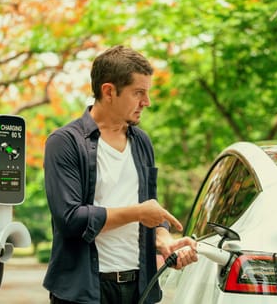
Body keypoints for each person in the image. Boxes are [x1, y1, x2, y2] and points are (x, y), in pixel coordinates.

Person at [43, 45, 197, 304]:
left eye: (147, 93)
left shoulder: (141, 142)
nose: (146, 102)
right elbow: (70, 219)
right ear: (109, 91)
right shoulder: (65, 142)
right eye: (138, 93)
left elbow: (151, 209)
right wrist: (137, 213)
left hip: (139, 288)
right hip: (84, 292)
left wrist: (163, 239)